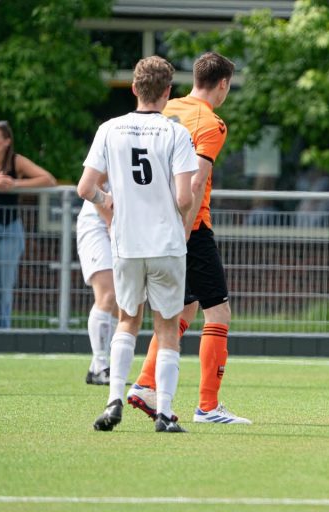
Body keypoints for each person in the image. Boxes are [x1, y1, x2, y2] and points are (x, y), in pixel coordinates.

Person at [127, 52, 252, 425]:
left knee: (182, 309)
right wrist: (184, 232)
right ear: (223, 84)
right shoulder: (211, 123)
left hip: (148, 221)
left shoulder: (168, 108)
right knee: (219, 310)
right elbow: (196, 181)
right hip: (189, 226)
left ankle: (145, 384)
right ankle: (208, 407)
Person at [78, 55, 197, 433]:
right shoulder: (176, 132)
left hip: (126, 242)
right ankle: (163, 413)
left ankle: (114, 399)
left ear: (133, 88)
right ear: (167, 92)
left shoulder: (109, 129)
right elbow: (183, 197)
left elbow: (85, 188)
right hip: (165, 242)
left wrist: (107, 202)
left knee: (127, 320)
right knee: (166, 326)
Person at [0, 121, 56, 328]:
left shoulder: (16, 161)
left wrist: (14, 184)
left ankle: (4, 331)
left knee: (5, 285)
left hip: (10, 228)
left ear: (6, 141)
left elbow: (48, 180)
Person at [77, 187, 118, 385]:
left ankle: (99, 367)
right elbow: (89, 185)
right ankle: (101, 365)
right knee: (107, 295)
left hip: (126, 223)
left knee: (123, 301)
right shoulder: (105, 153)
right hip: (97, 223)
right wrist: (109, 220)